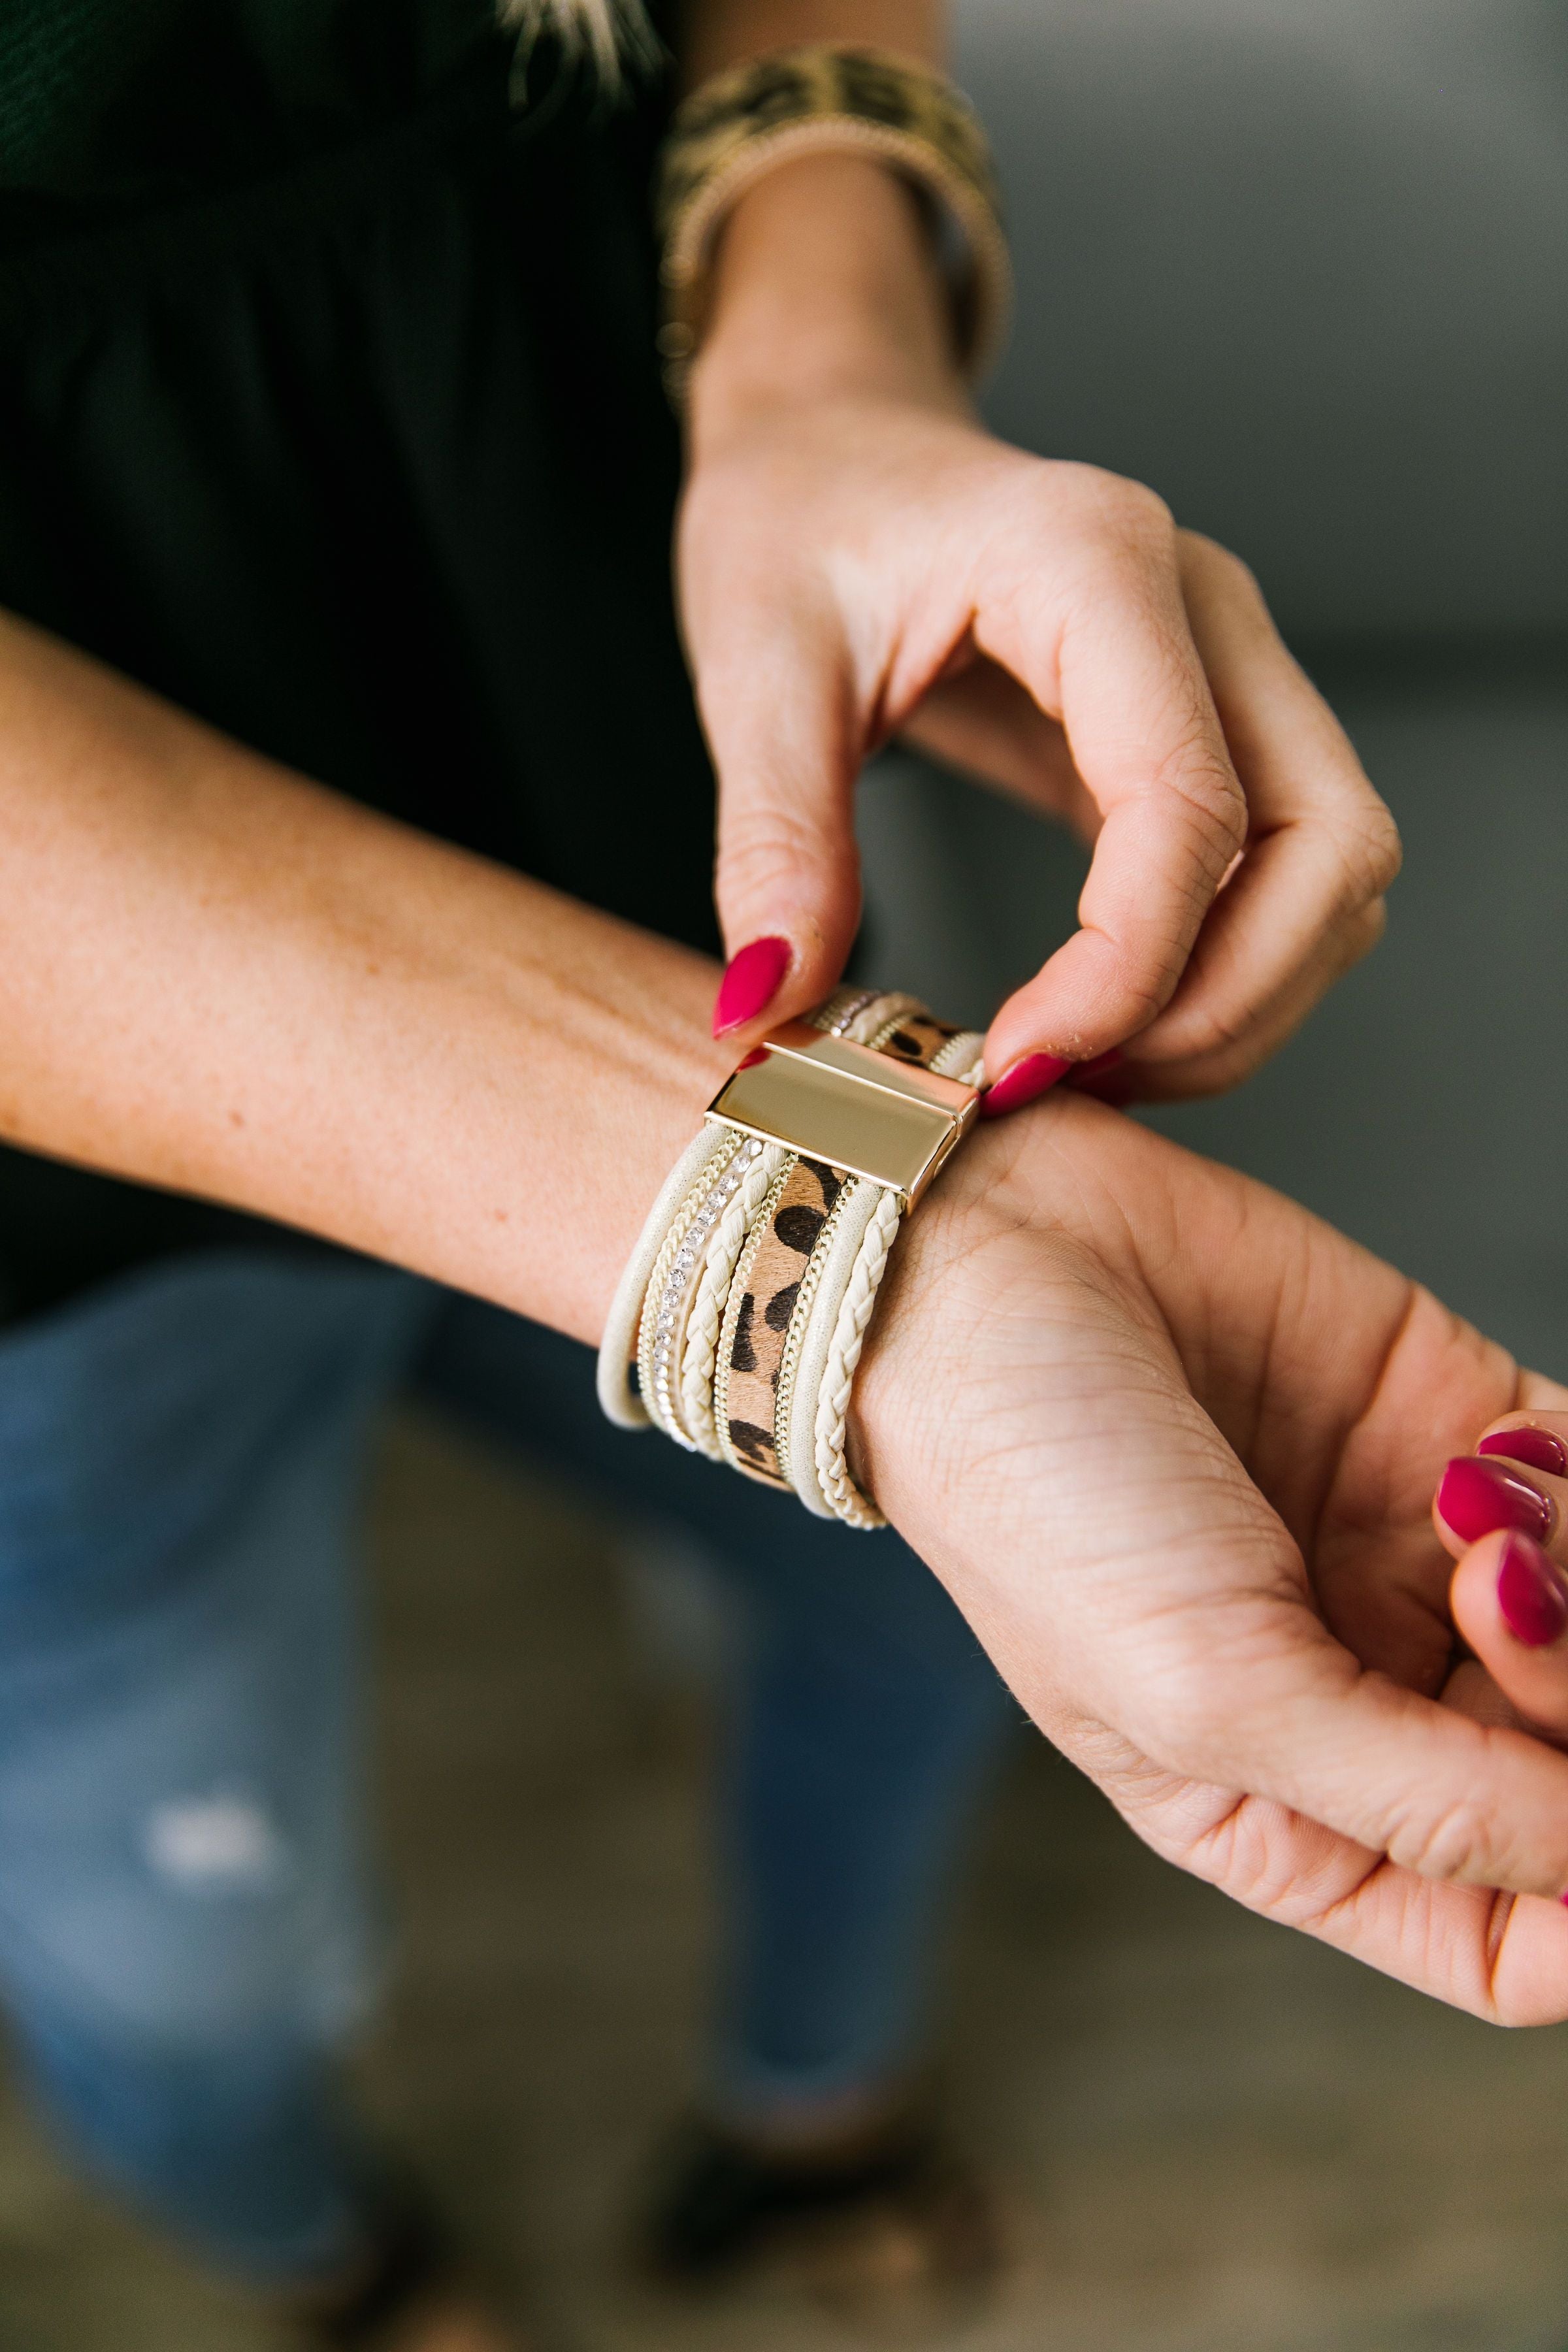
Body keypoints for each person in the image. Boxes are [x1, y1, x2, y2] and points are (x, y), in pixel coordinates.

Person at [5, 0, 1525, 2344]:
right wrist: (876, 1267)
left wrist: (824, 351)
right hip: (60, 1231)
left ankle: (813, 2107)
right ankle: (328, 2257)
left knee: (952, 1616)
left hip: (649, 815)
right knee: (188, 1921)